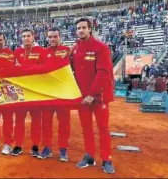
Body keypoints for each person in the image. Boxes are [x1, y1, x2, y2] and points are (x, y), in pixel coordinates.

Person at [71, 18, 115, 174]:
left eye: (84, 27)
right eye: (78, 28)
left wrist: (92, 94)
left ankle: (106, 159)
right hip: (82, 99)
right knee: (86, 128)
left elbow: (103, 72)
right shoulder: (75, 49)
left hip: (99, 97)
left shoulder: (101, 48)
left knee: (103, 128)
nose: (81, 30)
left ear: (90, 29)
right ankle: (89, 156)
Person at [37, 27, 71, 161]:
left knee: (64, 123)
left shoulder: (67, 51)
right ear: (47, 38)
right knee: (46, 123)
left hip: (63, 93)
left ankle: (63, 149)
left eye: (55, 37)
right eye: (50, 37)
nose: (52, 39)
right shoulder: (43, 53)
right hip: (48, 94)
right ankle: (47, 147)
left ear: (60, 37)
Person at [11, 28, 46, 156]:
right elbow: (12, 69)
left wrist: (26, 69)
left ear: (33, 36)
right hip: (21, 92)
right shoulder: (18, 51)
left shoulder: (41, 50)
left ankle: (35, 146)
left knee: (36, 120)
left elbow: (44, 68)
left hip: (35, 92)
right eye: (24, 36)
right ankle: (18, 145)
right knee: (19, 120)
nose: (26, 38)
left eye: (28, 36)